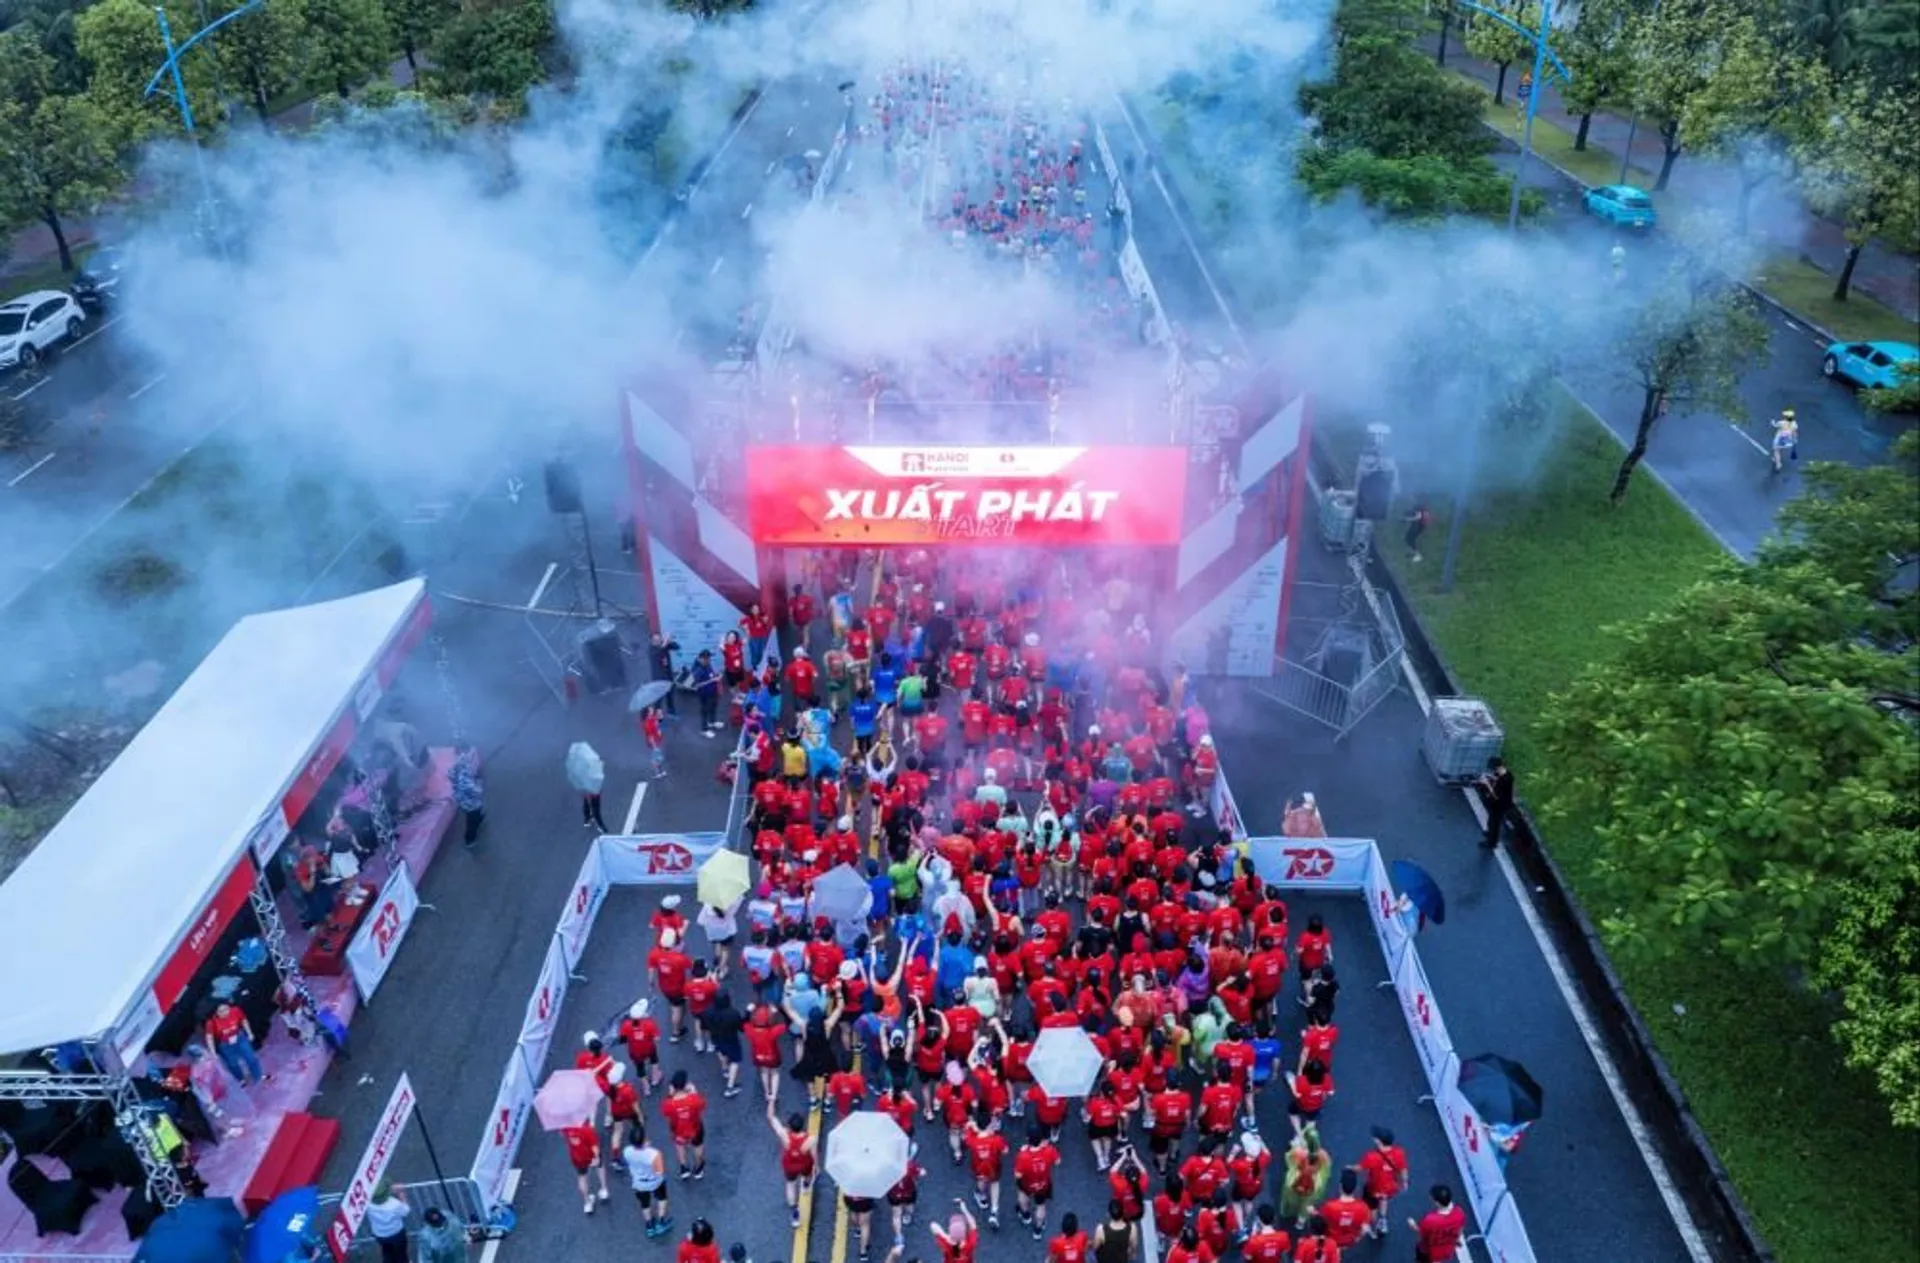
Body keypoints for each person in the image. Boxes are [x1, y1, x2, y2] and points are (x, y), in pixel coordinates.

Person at [766, 1103, 817, 1228]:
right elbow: (814, 1155)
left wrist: (771, 1101)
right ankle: (805, 1186)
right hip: (805, 1163)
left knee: (790, 1186)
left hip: (790, 1165)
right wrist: (817, 1166)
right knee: (808, 1176)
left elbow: (771, 1117)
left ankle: (795, 1213)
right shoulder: (811, 1139)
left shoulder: (785, 1136)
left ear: (790, 1127)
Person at [624, 1123, 673, 1239]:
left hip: (639, 1183)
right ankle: (661, 1222)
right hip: (655, 1182)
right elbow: (659, 1171)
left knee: (644, 1204)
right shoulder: (654, 1154)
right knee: (662, 1198)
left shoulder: (627, 1151)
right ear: (644, 1139)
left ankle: (649, 1225)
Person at [203, 1001, 266, 1087]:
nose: (225, 1012)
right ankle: (241, 1079)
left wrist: (249, 1033)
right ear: (215, 1012)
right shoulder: (211, 1022)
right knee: (233, 1064)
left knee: (251, 1057)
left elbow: (244, 1020)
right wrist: (213, 1053)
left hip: (240, 1038)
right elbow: (209, 1038)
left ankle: (258, 1075)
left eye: (226, 1009)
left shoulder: (236, 1010)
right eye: (221, 1011)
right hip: (225, 1044)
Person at [1410, 1184, 1467, 1262]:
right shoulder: (1459, 1212)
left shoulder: (1430, 1220)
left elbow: (1421, 1231)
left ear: (1437, 1202)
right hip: (1446, 1249)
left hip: (1429, 1250)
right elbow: (1460, 1229)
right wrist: (1456, 1240)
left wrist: (1412, 1224)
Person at [448, 742, 484, 846]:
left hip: (461, 798)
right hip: (470, 802)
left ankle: (479, 819)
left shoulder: (458, 762)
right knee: (472, 820)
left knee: (475, 814)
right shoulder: (465, 769)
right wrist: (478, 785)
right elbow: (471, 788)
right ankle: (470, 840)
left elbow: (450, 774)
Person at [366, 1182, 411, 1262]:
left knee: (387, 1251)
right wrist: (403, 1197)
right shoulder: (394, 1204)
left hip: (379, 1234)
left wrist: (391, 1189)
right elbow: (406, 1211)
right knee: (401, 1254)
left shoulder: (367, 1203)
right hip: (396, 1232)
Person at [1477, 756, 1515, 850]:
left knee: (1495, 823)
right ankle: (1490, 833)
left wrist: (1487, 783)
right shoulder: (1505, 774)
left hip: (1500, 804)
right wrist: (1491, 778)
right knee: (1491, 821)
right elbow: (1497, 780)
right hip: (1498, 803)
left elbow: (1496, 795)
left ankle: (1491, 842)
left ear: (1497, 767)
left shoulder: (1505, 780)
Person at [691, 650, 722, 733]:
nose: (709, 660)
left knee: (713, 707)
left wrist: (716, 675)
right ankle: (704, 729)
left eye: (709, 658)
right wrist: (712, 680)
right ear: (701, 659)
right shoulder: (698, 670)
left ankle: (712, 722)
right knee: (705, 711)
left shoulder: (707, 664)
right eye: (706, 659)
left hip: (712, 691)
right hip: (704, 695)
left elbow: (711, 674)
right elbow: (696, 685)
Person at [1770, 407, 1799, 472]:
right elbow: (1794, 432)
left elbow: (1775, 425)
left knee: (1776, 450)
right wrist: (1795, 439)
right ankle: (1776, 458)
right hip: (1788, 441)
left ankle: (1778, 464)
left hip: (1780, 440)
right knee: (1780, 449)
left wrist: (1772, 422)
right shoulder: (1794, 424)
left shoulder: (1781, 422)